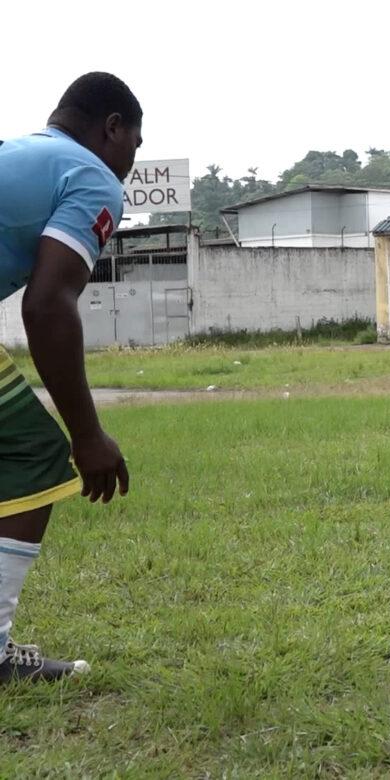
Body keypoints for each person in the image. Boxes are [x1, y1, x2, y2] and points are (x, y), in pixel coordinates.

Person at [0, 72, 141, 682]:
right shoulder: (92, 176)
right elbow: (48, 304)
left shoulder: (23, 154)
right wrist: (87, 434)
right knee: (34, 451)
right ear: (112, 127)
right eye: (136, 141)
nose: (133, 160)